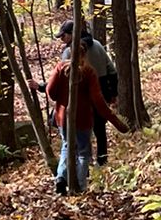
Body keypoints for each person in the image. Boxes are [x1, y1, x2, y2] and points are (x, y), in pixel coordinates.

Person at [48, 23, 113, 195]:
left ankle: (62, 177)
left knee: (67, 146)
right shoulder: (97, 49)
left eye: (63, 36)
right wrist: (112, 99)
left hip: (65, 115)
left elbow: (51, 91)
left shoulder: (64, 61)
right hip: (86, 114)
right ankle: (81, 184)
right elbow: (111, 72)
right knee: (87, 148)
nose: (62, 40)